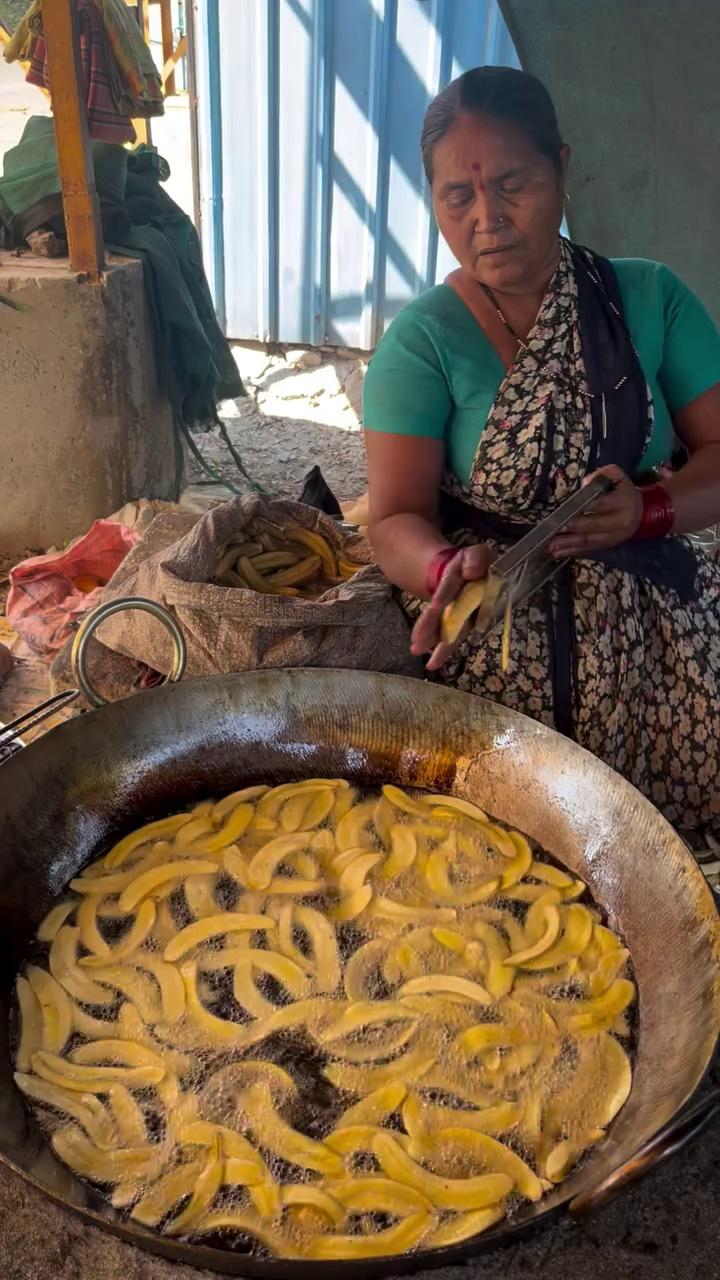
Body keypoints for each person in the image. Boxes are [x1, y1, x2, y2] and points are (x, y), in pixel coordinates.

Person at [363, 65, 720, 833]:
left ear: (560, 166)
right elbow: (391, 517)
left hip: (657, 638)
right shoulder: (422, 341)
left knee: (657, 850)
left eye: (512, 184)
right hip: (494, 637)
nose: (486, 217)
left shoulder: (650, 297)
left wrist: (652, 511)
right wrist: (440, 570)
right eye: (458, 197)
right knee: (494, 845)